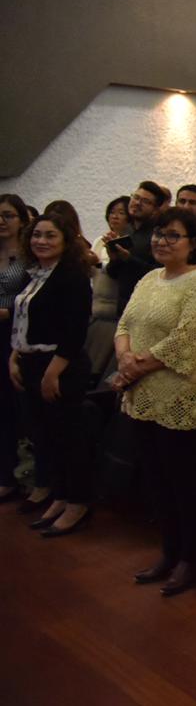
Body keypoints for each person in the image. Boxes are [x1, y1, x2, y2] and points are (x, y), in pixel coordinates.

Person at [114, 207, 196, 596]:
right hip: (142, 394)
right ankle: (168, 552)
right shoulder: (148, 278)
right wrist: (126, 359)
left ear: (193, 244)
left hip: (180, 396)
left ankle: (191, 560)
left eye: (173, 235)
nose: (161, 241)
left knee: (184, 484)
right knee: (156, 481)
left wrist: (132, 368)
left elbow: (187, 339)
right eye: (159, 234)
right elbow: (125, 324)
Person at [8, 213, 94, 537]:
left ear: (66, 240)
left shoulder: (72, 276)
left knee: (69, 438)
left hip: (60, 367)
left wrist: (51, 373)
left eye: (50, 236)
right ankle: (60, 495)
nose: (41, 241)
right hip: (30, 363)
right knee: (46, 438)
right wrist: (15, 357)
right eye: (37, 235)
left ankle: (78, 502)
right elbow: (22, 320)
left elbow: (74, 332)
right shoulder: (36, 274)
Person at [0, 195, 32, 506]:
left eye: (8, 215)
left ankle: (14, 475)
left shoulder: (28, 256)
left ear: (21, 220)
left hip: (12, 334)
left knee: (11, 405)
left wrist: (6, 312)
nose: (1, 221)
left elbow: (32, 299)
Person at [106, 180, 167, 316]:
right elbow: (114, 274)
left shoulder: (159, 234)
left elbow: (161, 273)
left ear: (155, 209)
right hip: (123, 308)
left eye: (145, 201)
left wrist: (129, 259)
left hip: (147, 310)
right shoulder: (126, 230)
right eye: (136, 197)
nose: (137, 203)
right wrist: (114, 259)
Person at [89, 196, 132, 320]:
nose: (115, 216)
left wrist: (98, 264)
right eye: (112, 212)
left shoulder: (129, 242)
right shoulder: (99, 240)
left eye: (121, 213)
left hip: (116, 304)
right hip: (96, 301)